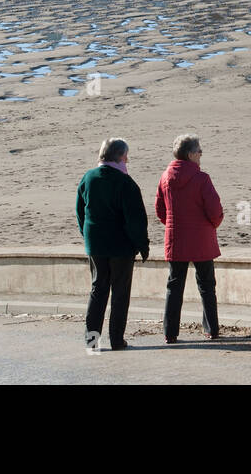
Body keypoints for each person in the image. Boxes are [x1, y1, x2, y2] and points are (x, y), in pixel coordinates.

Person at [76, 138, 149, 351]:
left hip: (96, 245)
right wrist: (142, 245)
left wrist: (87, 235)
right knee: (120, 293)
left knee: (97, 290)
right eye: (126, 156)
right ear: (119, 156)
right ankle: (117, 340)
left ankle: (92, 343)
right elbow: (136, 220)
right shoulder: (126, 183)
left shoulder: (88, 178)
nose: (127, 159)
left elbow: (80, 211)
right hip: (121, 247)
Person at [156, 134, 223, 344]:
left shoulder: (165, 177)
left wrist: (173, 225)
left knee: (174, 286)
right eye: (199, 151)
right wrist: (212, 225)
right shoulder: (202, 178)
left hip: (176, 239)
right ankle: (211, 329)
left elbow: (160, 209)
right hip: (201, 239)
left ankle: (170, 332)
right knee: (206, 285)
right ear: (191, 154)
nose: (201, 154)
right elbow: (215, 210)